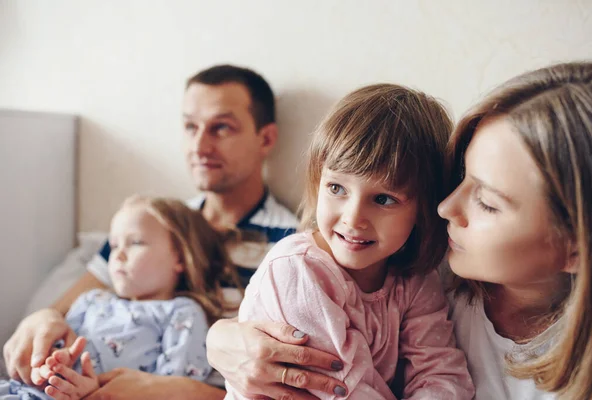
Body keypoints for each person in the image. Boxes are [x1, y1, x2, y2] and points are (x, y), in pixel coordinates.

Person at [206, 61, 592, 400]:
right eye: (461, 178)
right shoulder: (438, 266)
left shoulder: (417, 278)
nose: (444, 207)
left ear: (576, 248)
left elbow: (439, 373)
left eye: (487, 201)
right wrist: (219, 339)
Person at [3, 65, 301, 400]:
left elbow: (284, 383)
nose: (199, 146)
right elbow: (62, 309)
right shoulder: (152, 223)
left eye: (221, 128)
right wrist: (39, 321)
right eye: (190, 126)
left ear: (266, 138)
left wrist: (176, 390)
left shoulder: (290, 246)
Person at [225, 84, 474, 399]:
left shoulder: (416, 281)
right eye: (337, 188)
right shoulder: (297, 270)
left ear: (423, 210)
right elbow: (343, 389)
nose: (353, 218)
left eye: (383, 199)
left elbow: (442, 374)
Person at [1, 195, 240, 400]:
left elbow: (170, 388)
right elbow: (64, 343)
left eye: (135, 242)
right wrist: (49, 364)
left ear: (179, 257)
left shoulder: (182, 313)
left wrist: (90, 388)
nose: (118, 255)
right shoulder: (91, 300)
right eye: (114, 245)